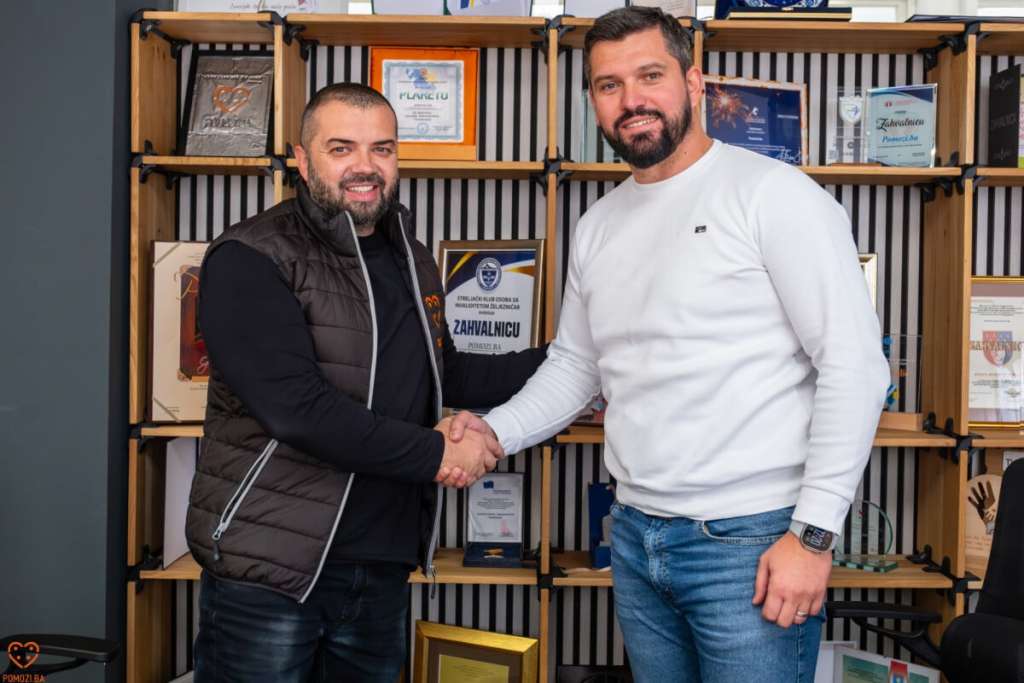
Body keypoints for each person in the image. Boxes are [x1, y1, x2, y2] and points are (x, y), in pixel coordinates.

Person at [450, 6, 890, 681]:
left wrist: (812, 536)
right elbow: (575, 366)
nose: (632, 100)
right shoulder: (598, 225)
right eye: (609, 85)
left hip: (751, 542)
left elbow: (855, 367)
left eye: (650, 75)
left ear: (693, 82)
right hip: (635, 535)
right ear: (594, 100)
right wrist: (492, 432)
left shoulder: (774, 196)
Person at [184, 82, 545, 682]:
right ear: (302, 160)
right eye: (341, 148)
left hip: (380, 566)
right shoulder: (251, 255)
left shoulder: (411, 256)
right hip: (274, 569)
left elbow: (445, 374)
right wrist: (438, 453)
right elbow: (296, 409)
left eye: (382, 148)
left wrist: (575, 362)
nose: (365, 167)